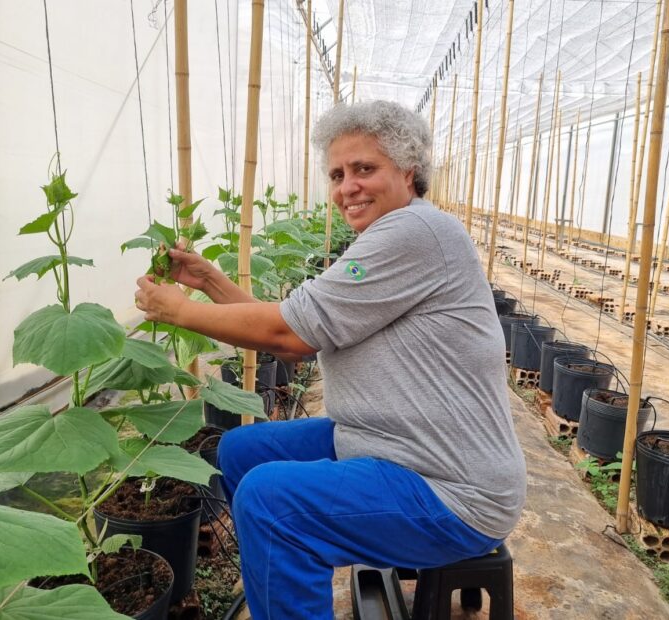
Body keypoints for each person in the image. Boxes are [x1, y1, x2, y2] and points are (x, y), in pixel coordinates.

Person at [135, 100, 526, 620]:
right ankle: (278, 576)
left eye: (365, 168)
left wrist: (179, 311)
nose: (348, 187)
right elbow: (295, 329)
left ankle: (286, 556)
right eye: (338, 174)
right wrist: (208, 281)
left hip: (452, 489)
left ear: (408, 171)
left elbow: (291, 336)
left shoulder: (415, 231)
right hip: (393, 444)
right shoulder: (391, 236)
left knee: (270, 502)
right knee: (241, 450)